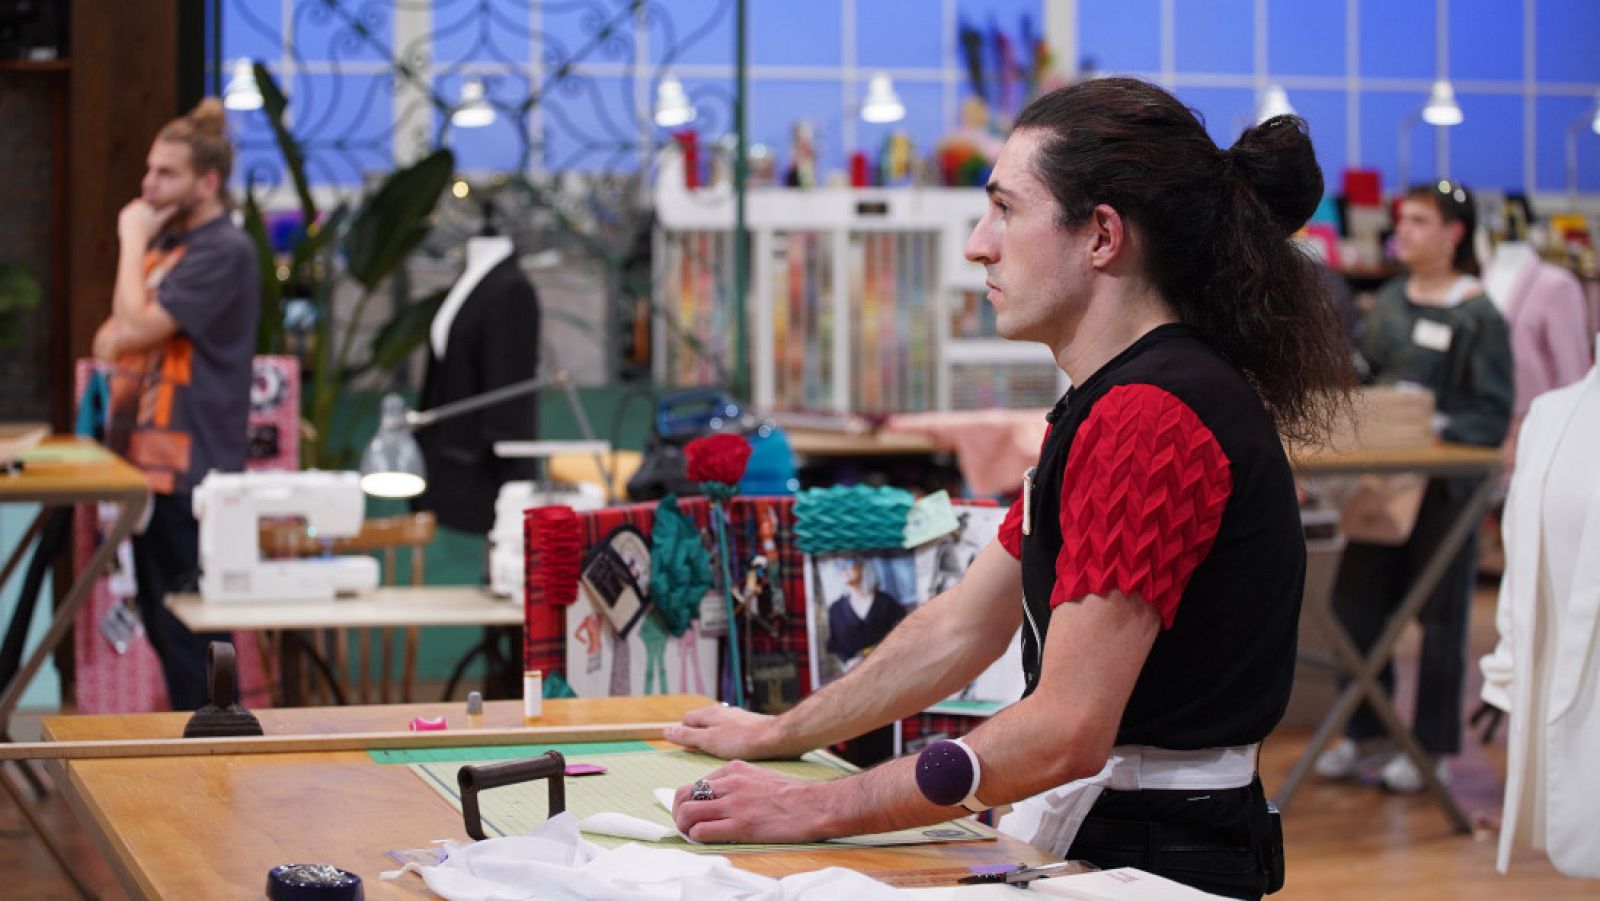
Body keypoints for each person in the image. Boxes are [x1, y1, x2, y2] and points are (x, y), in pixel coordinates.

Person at [666, 77, 1352, 899]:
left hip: (1152, 863)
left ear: (1101, 236)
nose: (977, 245)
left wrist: (815, 805)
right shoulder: (1111, 402)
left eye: (1004, 209)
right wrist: (780, 732)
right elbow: (961, 626)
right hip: (1111, 837)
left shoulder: (1150, 418)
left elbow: (1064, 729)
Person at [1316, 181, 1512, 793]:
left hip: (1446, 492)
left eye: (1420, 221)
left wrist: (1434, 424)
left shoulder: (1479, 314)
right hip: (1383, 483)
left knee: (1441, 619)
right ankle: (1364, 732)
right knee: (1354, 606)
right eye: (1403, 219)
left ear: (1454, 233)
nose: (1404, 231)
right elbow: (1369, 376)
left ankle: (1431, 748)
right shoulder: (1393, 300)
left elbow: (1492, 413)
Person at [92, 98, 260, 710]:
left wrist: (130, 238)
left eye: (166, 173)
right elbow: (108, 340)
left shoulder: (222, 250)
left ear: (207, 183)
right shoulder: (171, 247)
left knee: (196, 639)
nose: (148, 185)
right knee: (165, 631)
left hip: (193, 468)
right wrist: (132, 318)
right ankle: (197, 754)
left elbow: (133, 328)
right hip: (146, 464)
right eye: (149, 169)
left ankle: (218, 752)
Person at [824, 557, 905, 671]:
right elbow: (836, 644)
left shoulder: (885, 602)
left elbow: (903, 633)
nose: (843, 569)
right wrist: (848, 661)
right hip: (855, 673)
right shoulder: (836, 609)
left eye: (848, 563)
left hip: (888, 668)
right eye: (838, 565)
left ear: (862, 566)